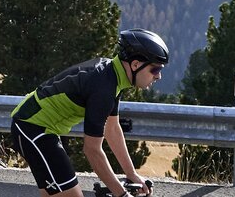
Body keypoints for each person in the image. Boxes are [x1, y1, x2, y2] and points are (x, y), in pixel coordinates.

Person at [9, 30, 169, 197]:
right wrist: (121, 194)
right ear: (135, 65)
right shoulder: (103, 88)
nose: (158, 76)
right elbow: (92, 150)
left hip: (46, 129)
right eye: (155, 69)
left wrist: (132, 174)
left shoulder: (115, 77)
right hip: (32, 128)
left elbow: (112, 129)